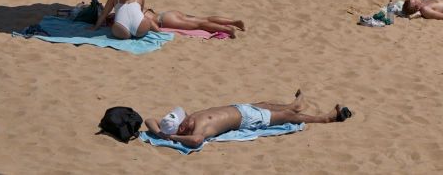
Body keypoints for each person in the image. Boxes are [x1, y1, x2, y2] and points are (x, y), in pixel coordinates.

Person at [145, 90, 351, 149]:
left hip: (240, 108)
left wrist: (161, 133)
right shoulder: (197, 129)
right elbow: (197, 141)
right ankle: (326, 118)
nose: (186, 118)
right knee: (289, 118)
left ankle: (295, 103)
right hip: (246, 119)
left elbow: (149, 120)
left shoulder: (186, 122)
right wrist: (173, 138)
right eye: (182, 123)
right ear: (180, 130)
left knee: (267, 104)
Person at [92, 0, 160, 39]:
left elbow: (104, 13)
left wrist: (95, 27)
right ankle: (159, 32)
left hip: (121, 29)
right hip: (139, 27)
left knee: (114, 24)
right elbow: (141, 11)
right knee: (149, 21)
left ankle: (128, 35)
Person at [148, 9, 246, 38]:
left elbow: (148, 24)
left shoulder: (134, 13)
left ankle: (227, 29)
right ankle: (234, 22)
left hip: (164, 21)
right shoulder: (139, 5)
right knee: (203, 19)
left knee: (200, 25)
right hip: (168, 13)